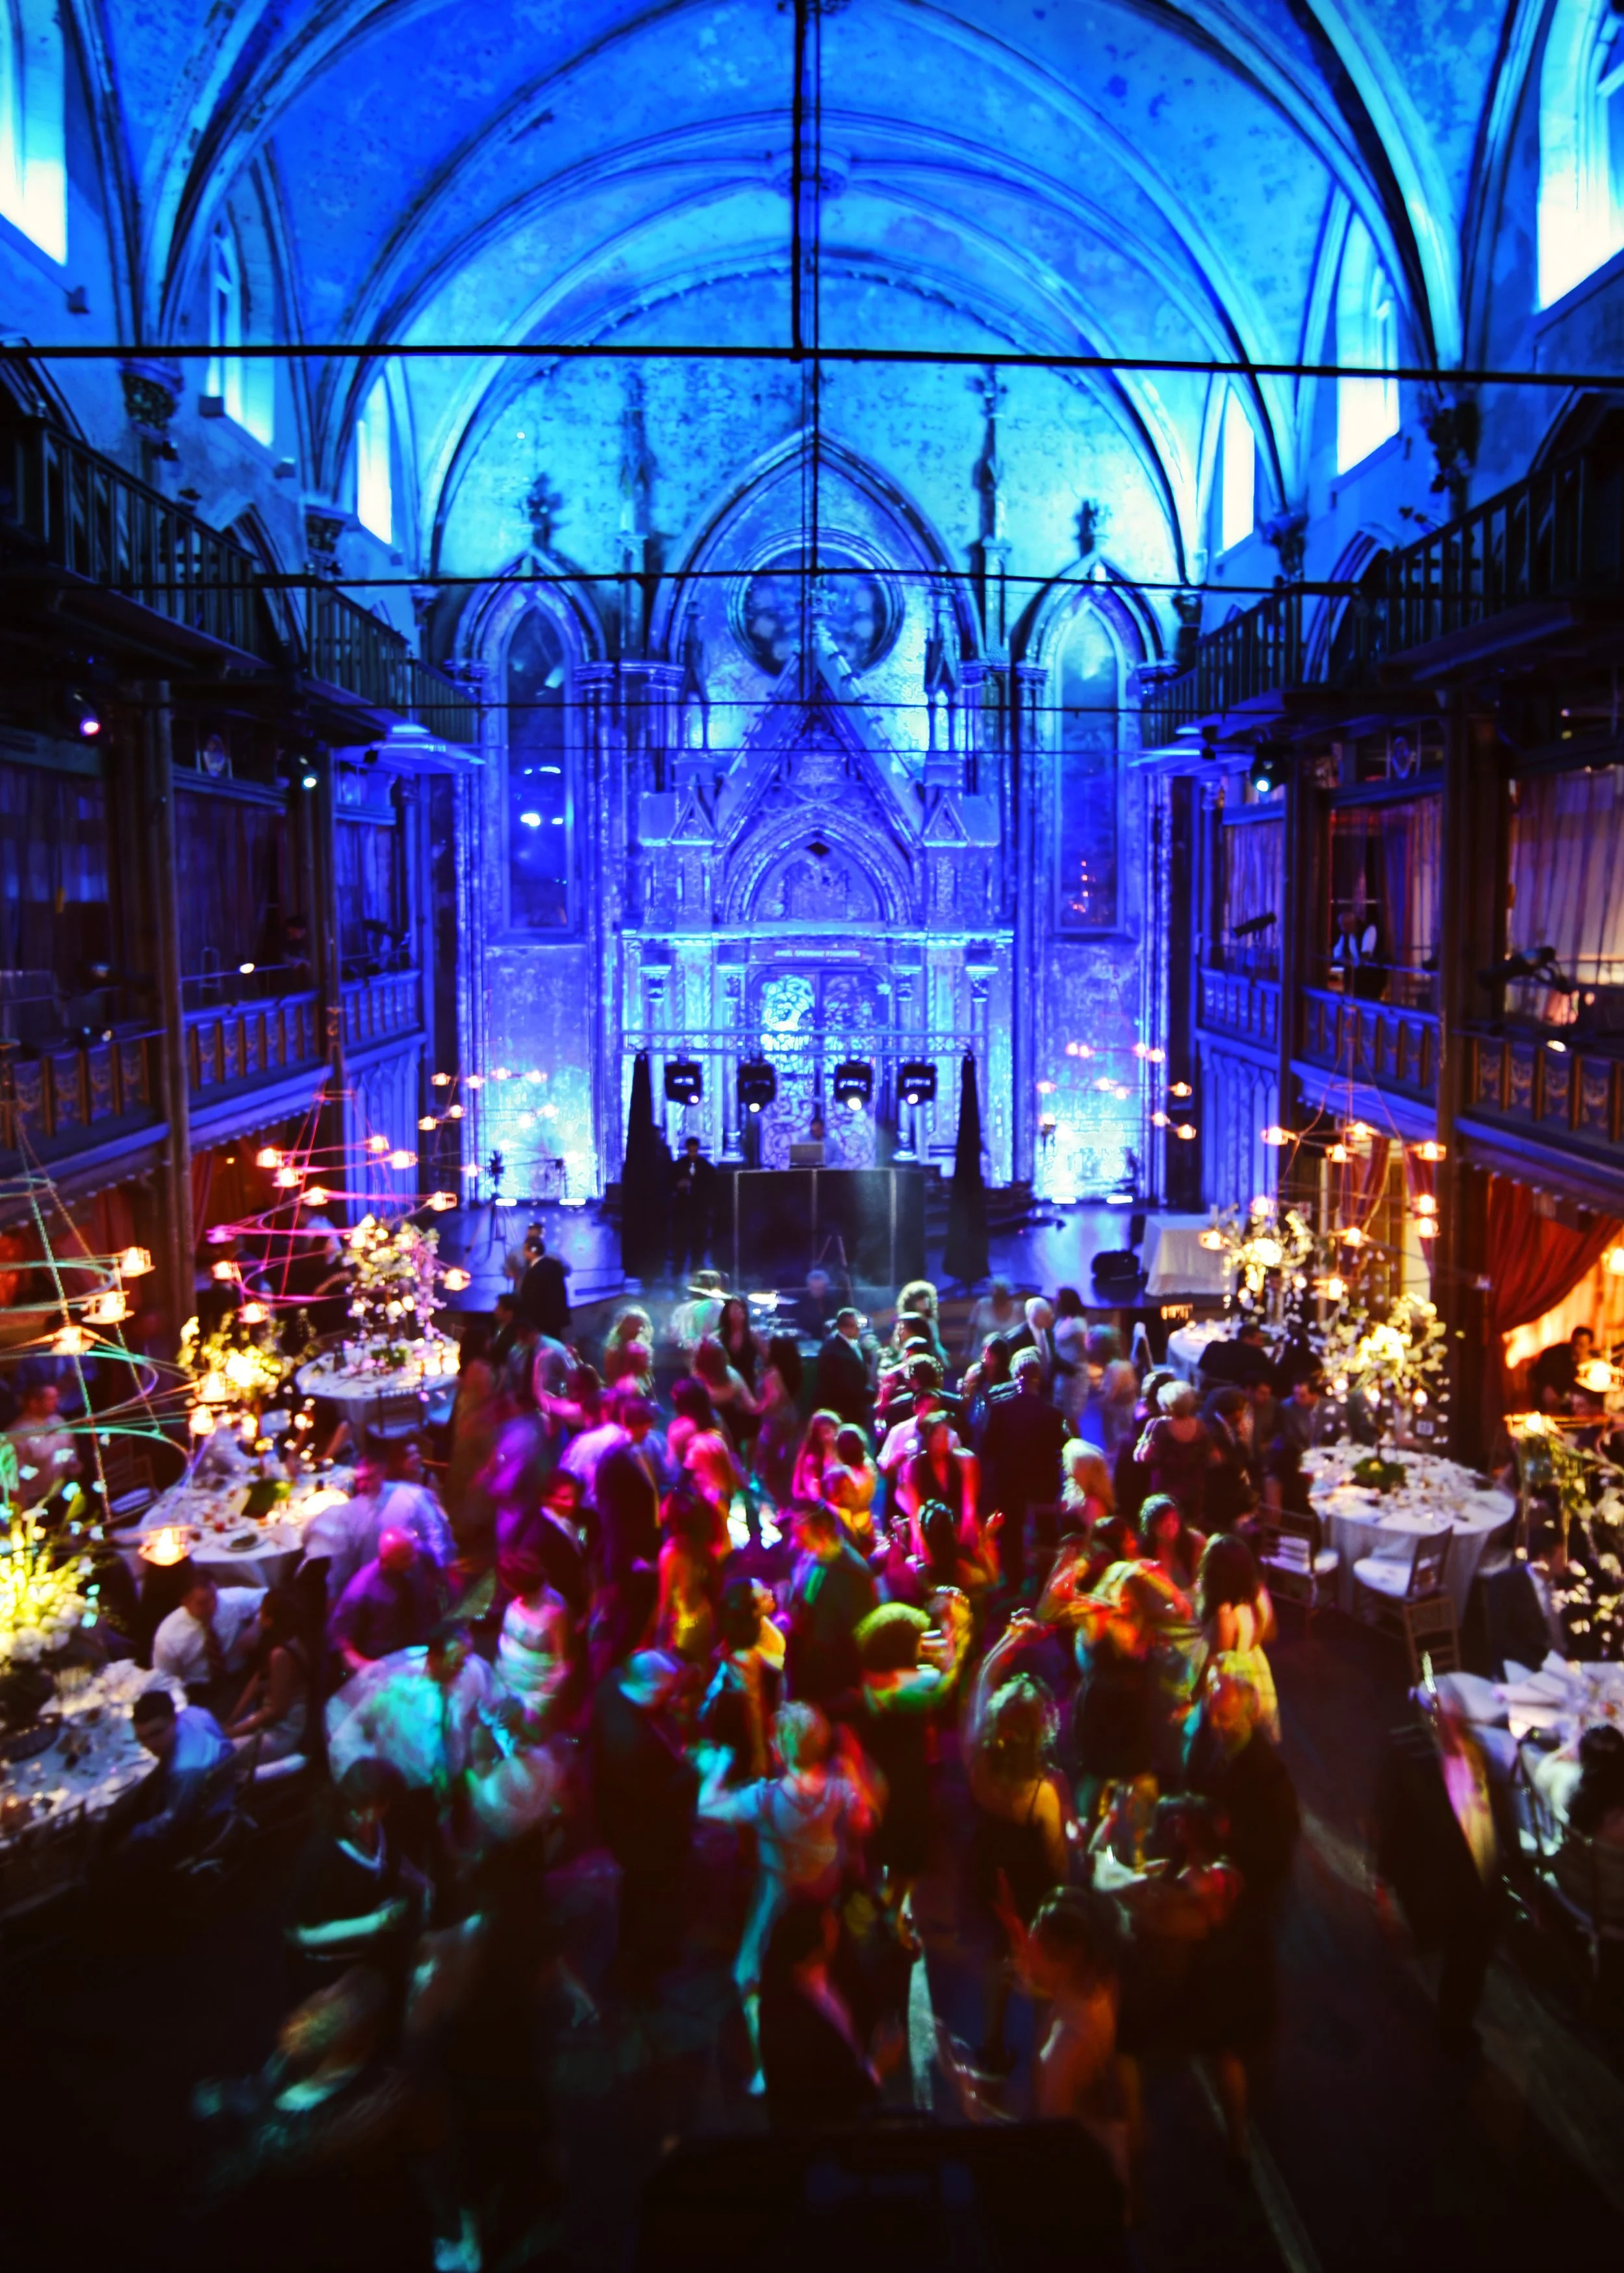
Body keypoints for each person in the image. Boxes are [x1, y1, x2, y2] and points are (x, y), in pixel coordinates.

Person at [699, 1701, 880, 2092]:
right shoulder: (839, 1790)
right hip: (821, 1904)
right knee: (820, 1982)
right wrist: (853, 1769)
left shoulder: (764, 1797)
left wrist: (716, 1768)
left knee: (750, 1978)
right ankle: (857, 2060)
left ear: (781, 1749)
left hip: (779, 1904)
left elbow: (706, 1808)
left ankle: (768, 2070)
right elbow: (865, 1821)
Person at [964, 1615, 1075, 2067]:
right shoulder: (1043, 1793)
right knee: (1045, 1969)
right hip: (1032, 1887)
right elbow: (1055, 1854)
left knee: (997, 1959)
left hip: (991, 1879)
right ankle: (1046, 2056)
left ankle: (991, 2043)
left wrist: (1006, 1643)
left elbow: (979, 1685)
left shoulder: (979, 1768)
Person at [589, 1649, 698, 1985]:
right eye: (667, 1694)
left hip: (621, 1812)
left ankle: (641, 1951)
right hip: (639, 1830)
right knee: (647, 1890)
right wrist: (695, 1769)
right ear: (649, 1692)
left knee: (642, 1890)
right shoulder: (629, 1741)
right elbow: (658, 1794)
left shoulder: (613, 1684)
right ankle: (639, 1966)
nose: (673, 1699)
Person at [758, 1899, 899, 2129]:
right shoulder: (785, 2021)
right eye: (829, 1924)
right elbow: (822, 2105)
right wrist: (877, 2069)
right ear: (812, 1947)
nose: (837, 1924)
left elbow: (863, 2005)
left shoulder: (835, 1969)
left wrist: (878, 2030)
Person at [287, 1758, 425, 1989]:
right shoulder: (321, 1854)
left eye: (373, 1806)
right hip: (334, 1966)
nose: (359, 1817)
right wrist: (373, 1923)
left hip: (375, 1948)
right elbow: (299, 1934)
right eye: (355, 1806)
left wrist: (422, 1882)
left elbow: (390, 1860)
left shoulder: (385, 1827)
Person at [978, 1348, 1069, 1594]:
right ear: (1039, 1377)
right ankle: (1046, 1583)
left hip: (1010, 1483)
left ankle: (1015, 1582)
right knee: (1046, 1532)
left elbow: (986, 1447)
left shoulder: (1000, 1410)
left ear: (1015, 1375)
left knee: (1011, 1535)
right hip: (1043, 1483)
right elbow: (1063, 1446)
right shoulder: (1052, 1413)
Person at [785, 1501, 878, 1717]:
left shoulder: (851, 1574)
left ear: (822, 1529)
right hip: (811, 1679)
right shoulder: (816, 1556)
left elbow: (863, 1633)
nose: (795, 1538)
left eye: (800, 1526)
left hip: (835, 1687)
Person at [120, 1687, 234, 1858]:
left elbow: (173, 1821)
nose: (150, 1745)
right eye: (142, 1738)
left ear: (173, 1719)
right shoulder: (194, 1713)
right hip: (217, 1783)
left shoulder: (185, 1771)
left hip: (205, 1817)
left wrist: (137, 1832)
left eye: (157, 1733)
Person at [329, 1529, 444, 1677]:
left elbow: (440, 1583)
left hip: (422, 1652)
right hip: (385, 1665)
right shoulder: (360, 1591)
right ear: (385, 1561)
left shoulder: (418, 1555)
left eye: (413, 1553)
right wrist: (367, 1666)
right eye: (406, 1558)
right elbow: (342, 1644)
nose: (414, 1560)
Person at [1197, 1534, 1278, 1742]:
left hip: (1232, 1682)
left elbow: (1216, 1663)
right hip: (1256, 1669)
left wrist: (1190, 1698)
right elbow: (1271, 1634)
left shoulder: (1225, 1616)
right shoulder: (1258, 1592)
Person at [223, 1585, 311, 1763]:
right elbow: (258, 1680)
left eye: (262, 1612)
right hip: (267, 1717)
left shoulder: (281, 1655)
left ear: (270, 1620)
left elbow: (276, 1711)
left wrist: (235, 1732)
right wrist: (231, 1720)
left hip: (283, 1730)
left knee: (222, 1753)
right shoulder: (277, 1641)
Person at [152, 1567, 265, 1706]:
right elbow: (165, 1681)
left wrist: (257, 1626)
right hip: (199, 1690)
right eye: (203, 1602)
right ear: (185, 1603)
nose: (213, 1606)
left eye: (214, 1597)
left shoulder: (230, 1601)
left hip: (239, 1676)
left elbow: (270, 1597)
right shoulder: (168, 1637)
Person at [494, 1546, 572, 1729]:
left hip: (532, 1694)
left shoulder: (554, 1612)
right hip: (506, 1681)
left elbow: (563, 1666)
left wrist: (536, 1705)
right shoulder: (517, 1601)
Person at [1133, 1381, 1214, 1530]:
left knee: (1161, 1529)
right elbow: (1213, 1459)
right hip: (1194, 1493)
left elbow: (1142, 1458)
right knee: (1190, 1530)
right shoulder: (1201, 1427)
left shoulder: (1157, 1426)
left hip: (1164, 1493)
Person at [3, 1375, 79, 1509]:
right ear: (34, 1403)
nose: (56, 1402)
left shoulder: (59, 1422)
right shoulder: (15, 1435)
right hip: (32, 1501)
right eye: (50, 1398)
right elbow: (11, 1477)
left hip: (62, 1492)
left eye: (57, 1397)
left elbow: (71, 1450)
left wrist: (73, 1464)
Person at [1201, 1386, 1258, 1534]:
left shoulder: (1225, 1427)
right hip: (1222, 1499)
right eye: (1243, 1411)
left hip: (1231, 1493)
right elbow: (1232, 1463)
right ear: (1235, 1412)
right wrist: (1242, 1441)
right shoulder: (1214, 1430)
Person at [815, 1307, 873, 1432]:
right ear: (842, 1328)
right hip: (844, 1411)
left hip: (853, 1407)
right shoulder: (835, 1351)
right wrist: (873, 1395)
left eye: (859, 1326)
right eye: (855, 1327)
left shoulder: (850, 1341)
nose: (859, 1330)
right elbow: (847, 1386)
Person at [669, 1136, 717, 1279]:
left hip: (699, 1209)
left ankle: (697, 1270)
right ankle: (677, 1272)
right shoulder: (678, 1165)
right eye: (690, 1150)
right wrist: (678, 1186)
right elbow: (669, 1183)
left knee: (699, 1241)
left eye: (694, 1150)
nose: (692, 1153)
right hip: (682, 1209)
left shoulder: (705, 1167)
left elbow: (711, 1185)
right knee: (680, 1242)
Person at [518, 1229, 571, 1340]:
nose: (523, 1253)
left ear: (532, 1250)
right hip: (556, 1319)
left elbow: (534, 1297)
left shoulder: (537, 1271)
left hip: (541, 1322)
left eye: (524, 1249)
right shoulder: (554, 1265)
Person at [1001, 1296, 1058, 1399]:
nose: (1051, 1319)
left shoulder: (1048, 1332)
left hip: (1047, 1393)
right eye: (1046, 1317)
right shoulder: (1015, 1338)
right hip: (1025, 1396)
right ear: (1034, 1316)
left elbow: (1053, 1358)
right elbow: (1010, 1368)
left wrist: (1074, 1371)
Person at [1197, 1318, 1275, 1394]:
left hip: (1207, 1393)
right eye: (1259, 1340)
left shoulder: (1213, 1346)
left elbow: (1201, 1370)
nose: (1262, 1344)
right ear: (1247, 1339)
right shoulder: (1256, 1355)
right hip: (1237, 1399)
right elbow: (1269, 1377)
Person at [1052, 1287, 1090, 1428]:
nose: (1055, 1303)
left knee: (1071, 1417)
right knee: (1061, 1415)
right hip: (1062, 1373)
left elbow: (1086, 1349)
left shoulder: (1078, 1324)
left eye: (1058, 1300)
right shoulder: (1061, 1321)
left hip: (1075, 1375)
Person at [963, 1278, 1019, 1362]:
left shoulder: (1018, 1308)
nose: (998, 1298)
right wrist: (966, 1349)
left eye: (1001, 1294)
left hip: (1010, 1357)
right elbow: (971, 1328)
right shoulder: (981, 1305)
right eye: (996, 1295)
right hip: (982, 1356)